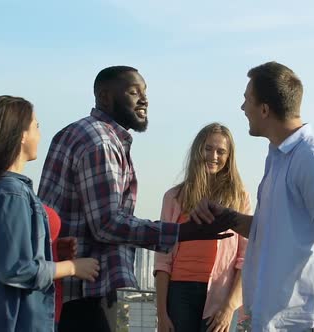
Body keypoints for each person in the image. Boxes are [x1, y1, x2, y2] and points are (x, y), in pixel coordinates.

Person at [38, 66, 236, 332]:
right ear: (105, 96)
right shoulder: (101, 143)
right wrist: (183, 232)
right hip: (81, 289)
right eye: (134, 92)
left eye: (145, 92)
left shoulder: (77, 132)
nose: (144, 100)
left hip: (63, 287)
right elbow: (106, 223)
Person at [190, 62, 314, 332]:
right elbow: (270, 231)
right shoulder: (277, 158)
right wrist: (226, 216)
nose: (243, 108)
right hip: (270, 322)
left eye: (247, 100)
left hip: (300, 324)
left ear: (265, 110)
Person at [0, 95, 100, 332]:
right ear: (22, 135)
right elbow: (17, 269)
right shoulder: (13, 194)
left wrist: (50, 250)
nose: (39, 135)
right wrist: (72, 267)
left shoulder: (4, 190)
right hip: (15, 321)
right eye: (36, 126)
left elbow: (8, 254)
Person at [154, 123, 250, 332]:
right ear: (198, 150)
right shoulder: (174, 197)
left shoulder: (239, 198)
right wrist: (161, 314)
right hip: (180, 293)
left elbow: (246, 258)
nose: (213, 156)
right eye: (208, 148)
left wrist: (229, 307)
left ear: (229, 157)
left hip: (221, 296)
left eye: (221, 151)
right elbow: (162, 260)